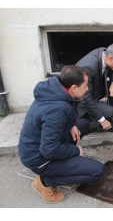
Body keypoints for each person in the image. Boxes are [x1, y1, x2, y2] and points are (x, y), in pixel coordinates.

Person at [18, 65, 106, 204]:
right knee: (98, 171)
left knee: (82, 124)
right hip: (40, 160)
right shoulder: (57, 109)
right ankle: (45, 182)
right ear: (73, 88)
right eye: (85, 85)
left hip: (38, 146)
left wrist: (72, 125)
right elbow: (49, 149)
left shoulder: (56, 90)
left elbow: (67, 112)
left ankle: (62, 164)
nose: (88, 88)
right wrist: (75, 150)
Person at [76, 42, 113, 133]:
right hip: (81, 101)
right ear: (110, 59)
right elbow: (85, 99)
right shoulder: (88, 68)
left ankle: (105, 115)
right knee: (110, 112)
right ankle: (90, 118)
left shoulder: (105, 53)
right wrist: (102, 120)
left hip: (94, 90)